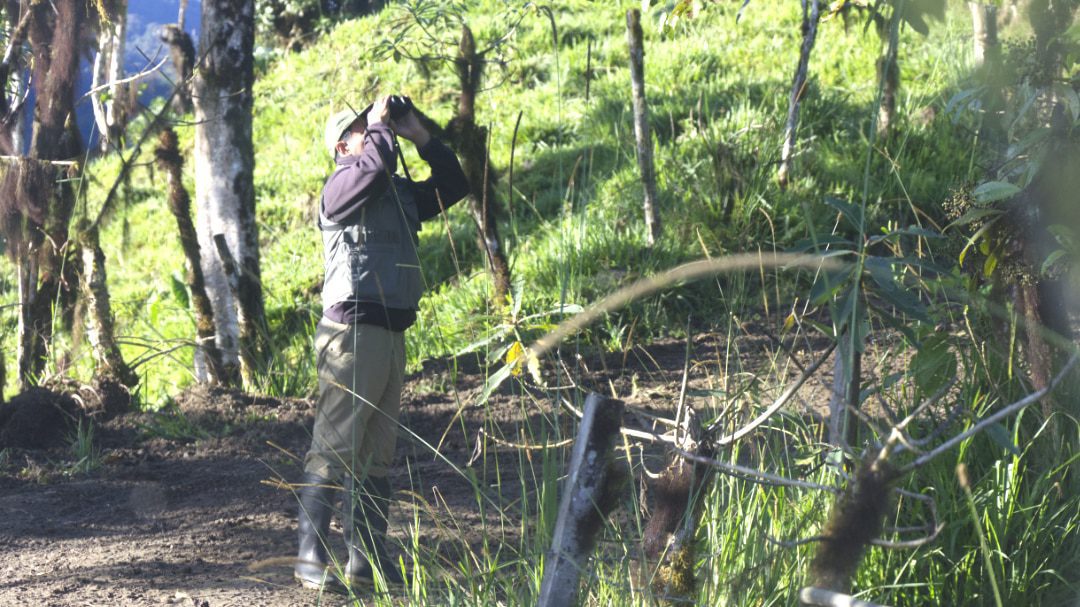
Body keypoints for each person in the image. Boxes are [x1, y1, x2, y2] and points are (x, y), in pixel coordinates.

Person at [294, 95, 469, 593]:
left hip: (391, 335)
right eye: (361, 130)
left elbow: (454, 184)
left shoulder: (394, 192)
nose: (374, 132)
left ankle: (365, 559)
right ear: (343, 145)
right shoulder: (343, 186)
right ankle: (310, 556)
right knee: (334, 448)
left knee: (377, 457)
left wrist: (419, 133)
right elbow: (372, 167)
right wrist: (377, 128)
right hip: (351, 334)